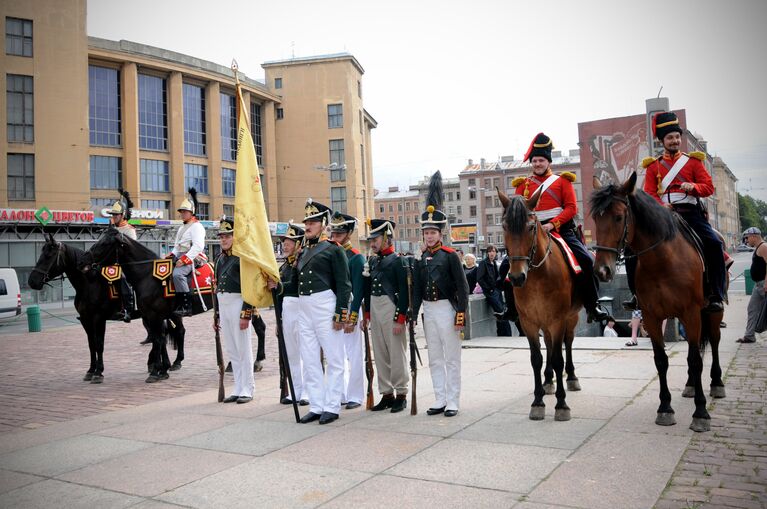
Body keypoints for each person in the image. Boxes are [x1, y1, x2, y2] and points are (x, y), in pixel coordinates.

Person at [626, 111, 725, 313]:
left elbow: (709, 188)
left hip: (690, 212)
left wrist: (694, 188)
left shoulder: (694, 162)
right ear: (663, 140)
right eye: (670, 138)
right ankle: (635, 294)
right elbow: (649, 193)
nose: (675, 141)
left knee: (714, 244)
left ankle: (716, 293)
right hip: (663, 216)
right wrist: (661, 206)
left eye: (677, 137)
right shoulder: (654, 166)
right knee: (632, 247)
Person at [512, 133, 610, 323]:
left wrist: (552, 223)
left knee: (586, 260)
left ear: (548, 162)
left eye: (541, 160)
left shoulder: (563, 181)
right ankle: (511, 308)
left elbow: (572, 208)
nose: (537, 164)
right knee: (508, 268)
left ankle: (592, 305)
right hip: (531, 232)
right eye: (534, 161)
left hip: (560, 229)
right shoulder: (522, 185)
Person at [412, 176, 470, 418]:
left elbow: (462, 287)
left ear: (441, 233)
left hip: (447, 308)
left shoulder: (449, 256)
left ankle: (453, 400)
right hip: (429, 309)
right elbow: (415, 288)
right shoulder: (420, 258)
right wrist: (412, 313)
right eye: (426, 232)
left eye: (433, 232)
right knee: (434, 356)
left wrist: (460, 314)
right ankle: (439, 398)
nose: (429, 236)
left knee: (452, 358)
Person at [295, 199, 352, 424]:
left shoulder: (332, 250)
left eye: (313, 221)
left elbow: (344, 284)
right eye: (307, 221)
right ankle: (317, 405)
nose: (308, 225)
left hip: (324, 304)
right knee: (309, 358)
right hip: (304, 306)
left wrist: (340, 314)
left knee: (335, 358)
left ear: (324, 224)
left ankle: (332, 405)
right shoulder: (303, 251)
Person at [363, 218, 410, 413]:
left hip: (391, 308)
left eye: (376, 239)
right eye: (371, 240)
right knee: (380, 353)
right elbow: (367, 289)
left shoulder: (398, 260)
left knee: (396, 354)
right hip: (375, 307)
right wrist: (366, 314)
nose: (372, 244)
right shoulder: (372, 261)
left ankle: (401, 393)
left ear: (387, 238)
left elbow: (404, 292)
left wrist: (400, 318)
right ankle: (386, 393)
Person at [213, 216, 255, 404]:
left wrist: (246, 313)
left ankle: (248, 387)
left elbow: (250, 288)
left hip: (238, 302)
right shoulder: (220, 259)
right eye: (221, 236)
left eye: (227, 236)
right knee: (232, 350)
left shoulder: (242, 258)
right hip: (224, 304)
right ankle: (238, 386)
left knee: (243, 348)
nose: (223, 239)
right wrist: (216, 316)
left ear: (235, 237)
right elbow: (216, 289)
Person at [329, 211, 366, 410]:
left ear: (349, 234)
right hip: (333, 309)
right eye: (333, 234)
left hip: (350, 309)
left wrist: (351, 318)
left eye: (339, 234)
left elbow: (358, 291)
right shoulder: (330, 255)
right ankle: (340, 393)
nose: (334, 238)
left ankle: (355, 394)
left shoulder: (355, 258)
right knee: (336, 354)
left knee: (354, 354)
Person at [269, 223, 308, 404]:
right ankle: (295, 390)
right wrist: (279, 320)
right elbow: (278, 297)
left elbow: (297, 286)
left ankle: (308, 391)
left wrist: (278, 286)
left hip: (302, 309)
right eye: (284, 242)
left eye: (289, 242)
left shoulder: (302, 264)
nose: (285, 245)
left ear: (299, 244)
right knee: (291, 354)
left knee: (306, 352)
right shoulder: (284, 267)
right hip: (287, 311)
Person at [166, 188, 205, 317]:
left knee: (177, 275)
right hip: (181, 255)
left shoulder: (197, 226)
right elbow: (177, 246)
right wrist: (171, 255)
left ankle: (186, 306)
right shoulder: (182, 227)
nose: (182, 214)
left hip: (194, 256)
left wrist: (184, 259)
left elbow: (198, 246)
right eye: (181, 211)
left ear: (192, 212)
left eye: (185, 211)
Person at [107, 190, 136, 323]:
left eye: (116, 214)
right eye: (113, 214)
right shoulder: (111, 228)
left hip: (126, 263)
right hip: (111, 262)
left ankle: (128, 309)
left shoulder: (129, 229)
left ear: (122, 215)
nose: (114, 217)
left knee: (121, 277)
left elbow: (131, 249)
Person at [737, 226, 766, 343]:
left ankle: (749, 335)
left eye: (748, 237)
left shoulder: (763, 246)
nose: (747, 240)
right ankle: (749, 336)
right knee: (752, 308)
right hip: (758, 285)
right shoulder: (758, 247)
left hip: (764, 284)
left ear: (754, 236)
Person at [476, 245, 512, 336]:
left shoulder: (495, 263)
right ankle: (507, 334)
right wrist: (489, 289)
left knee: (501, 311)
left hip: (497, 291)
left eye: (493, 251)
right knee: (500, 311)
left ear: (496, 253)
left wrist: (499, 288)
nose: (492, 253)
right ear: (487, 253)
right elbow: (480, 278)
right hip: (490, 292)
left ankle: (501, 333)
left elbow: (497, 277)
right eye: (490, 251)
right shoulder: (483, 263)